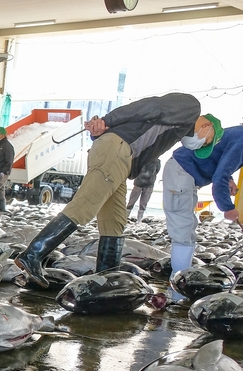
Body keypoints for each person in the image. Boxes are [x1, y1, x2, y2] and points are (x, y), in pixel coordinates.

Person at [14, 94, 221, 287]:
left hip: (122, 160)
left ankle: (105, 279)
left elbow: (135, 131)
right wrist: (107, 120)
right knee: (85, 205)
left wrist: (101, 131)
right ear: (207, 125)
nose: (199, 145)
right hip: (116, 152)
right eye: (207, 140)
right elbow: (148, 107)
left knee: (114, 223)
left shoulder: (173, 129)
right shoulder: (191, 108)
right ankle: (33, 254)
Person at [164, 120, 241, 302]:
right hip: (181, 172)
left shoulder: (238, 134)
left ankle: (181, 286)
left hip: (185, 173)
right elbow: (219, 176)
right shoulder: (242, 140)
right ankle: (176, 293)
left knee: (188, 230)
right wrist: (227, 208)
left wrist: (229, 179)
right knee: (183, 229)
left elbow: (219, 156)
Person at [126, 157, 161, 223]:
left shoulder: (156, 161)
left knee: (143, 203)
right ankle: (126, 217)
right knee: (132, 201)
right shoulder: (142, 158)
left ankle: (138, 220)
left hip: (148, 184)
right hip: (139, 183)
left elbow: (157, 171)